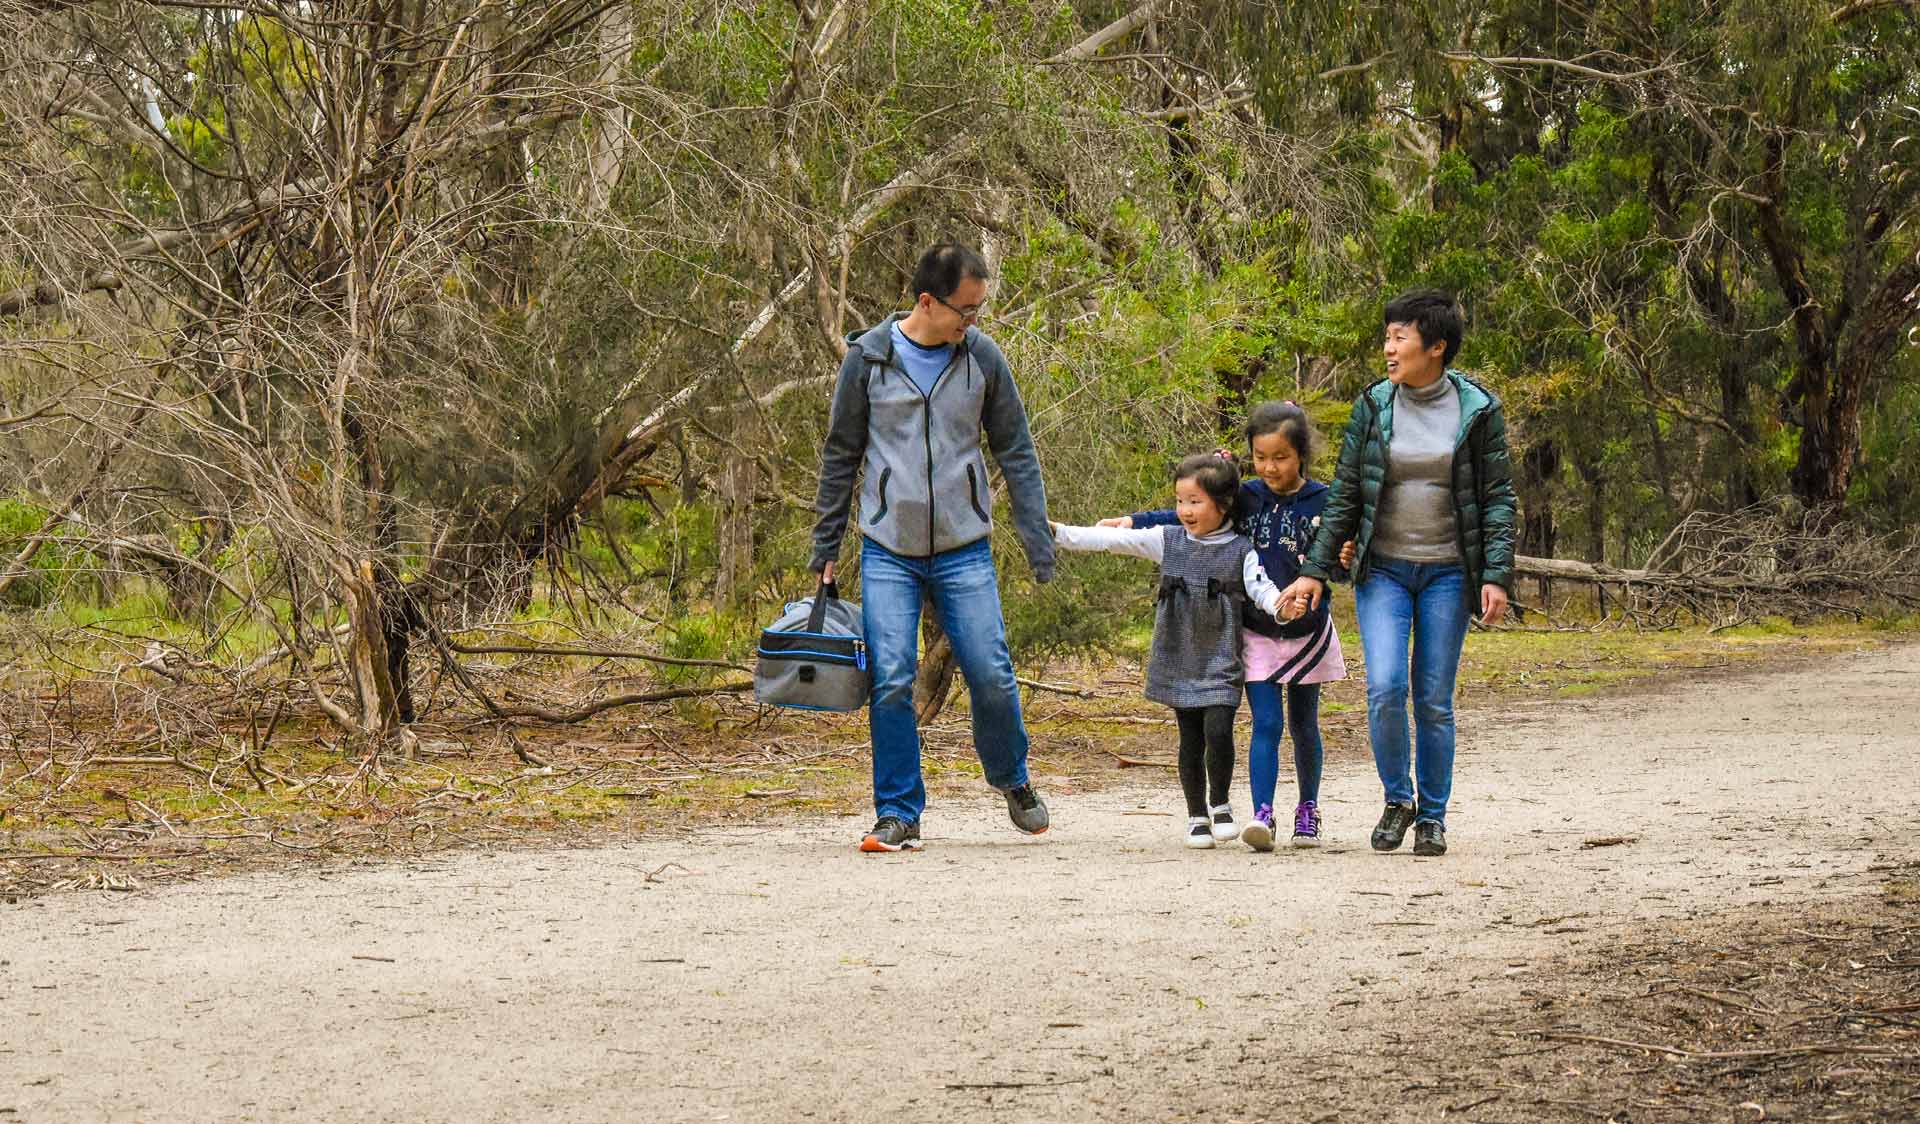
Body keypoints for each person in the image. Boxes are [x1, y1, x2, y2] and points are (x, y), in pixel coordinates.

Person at [810, 242, 1055, 854]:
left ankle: (1011, 778)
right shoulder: (868, 359)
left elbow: (1015, 450)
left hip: (963, 546)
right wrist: (826, 544)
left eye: (977, 311)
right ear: (927, 301)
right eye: (965, 310)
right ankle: (897, 812)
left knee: (990, 674)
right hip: (888, 546)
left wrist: (1035, 533)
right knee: (890, 677)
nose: (972, 321)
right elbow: (841, 455)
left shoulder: (982, 358)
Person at [1279, 290, 1517, 858]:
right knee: (1385, 687)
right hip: (1381, 569)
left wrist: (1497, 574)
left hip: (1448, 573)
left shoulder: (1478, 410)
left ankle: (1432, 816)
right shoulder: (1374, 405)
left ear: (1435, 346)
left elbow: (1498, 496)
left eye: (1399, 337)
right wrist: (1316, 568)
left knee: (1433, 697)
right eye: (1387, 337)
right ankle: (1397, 799)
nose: (1388, 348)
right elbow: (1344, 494)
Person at [1103, 401, 1349, 851]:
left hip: (1307, 630)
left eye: (1280, 457)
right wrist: (1136, 521)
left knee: (1304, 723)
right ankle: (1263, 814)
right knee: (1266, 723)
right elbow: (1193, 516)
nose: (1269, 467)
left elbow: (1339, 563)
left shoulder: (1326, 501)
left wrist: (1346, 562)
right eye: (1260, 457)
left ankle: (1308, 810)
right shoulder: (1248, 496)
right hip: (1255, 630)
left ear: (1301, 455)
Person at [1053, 453, 1288, 849]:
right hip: (1179, 655)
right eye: (1180, 501)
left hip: (1220, 657)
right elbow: (1112, 540)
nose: (1184, 510)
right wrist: (1058, 533)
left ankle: (1221, 803)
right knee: (1190, 738)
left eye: (1194, 501)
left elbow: (1261, 588)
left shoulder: (1241, 550)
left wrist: (1282, 605)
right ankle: (1197, 815)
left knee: (1219, 730)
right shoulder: (1168, 540)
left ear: (1223, 504)